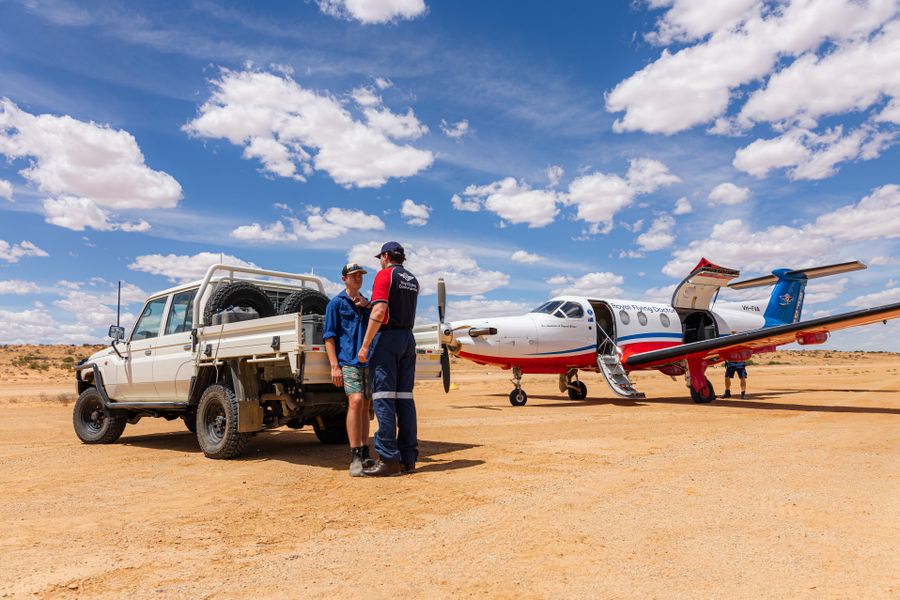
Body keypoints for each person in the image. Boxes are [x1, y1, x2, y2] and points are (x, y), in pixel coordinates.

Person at [357, 241, 420, 477]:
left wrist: (365, 345)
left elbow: (381, 311)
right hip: (407, 340)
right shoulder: (412, 279)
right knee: (405, 399)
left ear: (385, 256)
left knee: (383, 398)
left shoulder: (385, 275)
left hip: (387, 340)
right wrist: (369, 303)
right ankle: (408, 459)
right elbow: (390, 304)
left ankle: (388, 460)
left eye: (380, 258)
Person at [324, 263, 376, 477]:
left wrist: (368, 305)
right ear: (344, 278)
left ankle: (365, 451)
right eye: (353, 275)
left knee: (365, 405)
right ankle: (354, 456)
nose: (357, 278)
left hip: (368, 361)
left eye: (360, 275)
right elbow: (329, 336)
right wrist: (334, 365)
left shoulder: (366, 304)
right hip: (348, 361)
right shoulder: (336, 303)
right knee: (355, 402)